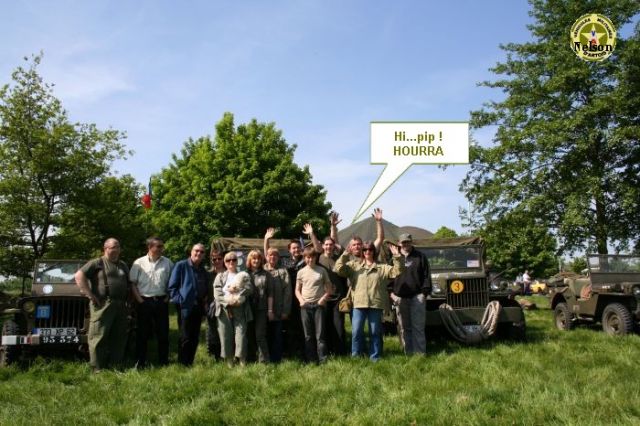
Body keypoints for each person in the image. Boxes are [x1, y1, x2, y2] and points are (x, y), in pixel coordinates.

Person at [334, 241, 404, 361]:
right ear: (362, 252)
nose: (367, 252)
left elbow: (398, 271)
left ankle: (375, 357)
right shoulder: (354, 266)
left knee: (375, 332)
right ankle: (356, 356)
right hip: (358, 304)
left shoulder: (382, 268)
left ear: (374, 251)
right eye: (365, 250)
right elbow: (338, 268)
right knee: (356, 332)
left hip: (375, 304)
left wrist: (397, 256)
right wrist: (345, 254)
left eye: (370, 250)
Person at [74, 238, 130, 371]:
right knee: (98, 336)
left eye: (118, 247)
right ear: (105, 249)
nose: (116, 250)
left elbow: (130, 284)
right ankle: (97, 369)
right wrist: (89, 294)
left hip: (121, 305)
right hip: (103, 304)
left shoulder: (123, 265)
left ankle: (115, 366)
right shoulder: (97, 263)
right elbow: (79, 275)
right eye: (112, 247)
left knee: (119, 336)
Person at [129, 237, 173, 368]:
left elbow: (173, 283)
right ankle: (140, 362)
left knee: (163, 334)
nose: (161, 249)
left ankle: (163, 362)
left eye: (161, 246)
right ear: (150, 247)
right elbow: (132, 283)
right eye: (158, 246)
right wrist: (140, 301)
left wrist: (167, 298)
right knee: (142, 334)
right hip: (144, 301)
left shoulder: (168, 263)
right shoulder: (139, 263)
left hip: (161, 301)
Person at [264, 227, 306, 360]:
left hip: (301, 297)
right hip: (287, 298)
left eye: (298, 247)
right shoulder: (283, 261)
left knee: (301, 326)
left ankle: (302, 351)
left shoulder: (306, 260)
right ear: (289, 250)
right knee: (287, 327)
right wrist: (266, 239)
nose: (296, 249)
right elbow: (269, 256)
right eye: (293, 248)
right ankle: (289, 351)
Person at [388, 233, 430, 355]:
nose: (406, 244)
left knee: (418, 327)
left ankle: (420, 354)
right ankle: (408, 353)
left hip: (417, 296)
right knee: (405, 328)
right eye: (403, 242)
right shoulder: (394, 259)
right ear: (399, 243)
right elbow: (388, 278)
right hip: (400, 298)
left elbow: (426, 276)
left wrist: (424, 294)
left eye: (408, 241)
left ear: (411, 242)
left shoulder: (420, 257)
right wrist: (392, 295)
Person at [168, 243, 210, 366]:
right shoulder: (181, 265)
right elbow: (172, 287)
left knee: (195, 336)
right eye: (196, 250)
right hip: (185, 306)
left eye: (202, 252)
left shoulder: (203, 269)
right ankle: (182, 363)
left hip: (199, 306)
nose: (199, 253)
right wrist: (180, 301)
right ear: (191, 251)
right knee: (185, 335)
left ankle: (190, 361)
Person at [214, 251, 254, 367]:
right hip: (224, 309)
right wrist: (228, 303)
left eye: (234, 260)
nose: (231, 262)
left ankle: (242, 359)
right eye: (228, 260)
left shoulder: (243, 274)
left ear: (237, 261)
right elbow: (217, 294)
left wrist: (238, 292)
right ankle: (229, 361)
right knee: (225, 335)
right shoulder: (220, 276)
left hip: (240, 308)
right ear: (225, 263)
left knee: (241, 334)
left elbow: (250, 289)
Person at [296, 246, 333, 363]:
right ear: (304, 258)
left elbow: (329, 289)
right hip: (305, 306)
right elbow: (297, 290)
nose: (310, 260)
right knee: (308, 335)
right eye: (307, 257)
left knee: (320, 335)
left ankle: (322, 359)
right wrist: (301, 301)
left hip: (319, 306)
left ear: (316, 257)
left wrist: (323, 299)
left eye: (312, 257)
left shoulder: (322, 271)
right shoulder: (301, 272)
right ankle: (311, 359)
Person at [263, 247, 292, 363]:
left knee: (277, 335)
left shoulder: (283, 271)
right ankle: (265, 357)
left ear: (278, 258)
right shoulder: (262, 269)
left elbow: (288, 292)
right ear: (266, 257)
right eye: (270, 255)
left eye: (275, 255)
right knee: (264, 335)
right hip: (263, 310)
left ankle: (276, 359)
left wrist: (286, 310)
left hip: (279, 310)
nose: (272, 257)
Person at [246, 249, 274, 363]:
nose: (256, 260)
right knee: (248, 335)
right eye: (253, 258)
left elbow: (270, 294)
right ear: (249, 260)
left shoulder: (266, 274)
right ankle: (250, 359)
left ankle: (264, 360)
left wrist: (270, 310)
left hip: (261, 308)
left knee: (260, 335)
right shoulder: (244, 274)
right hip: (247, 308)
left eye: (258, 258)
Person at [205, 248, 225, 361]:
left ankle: (226, 353)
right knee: (213, 331)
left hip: (226, 306)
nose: (217, 261)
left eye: (219, 258)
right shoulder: (208, 274)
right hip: (211, 306)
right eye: (214, 259)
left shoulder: (229, 272)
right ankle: (216, 355)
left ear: (223, 259)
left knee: (225, 331)